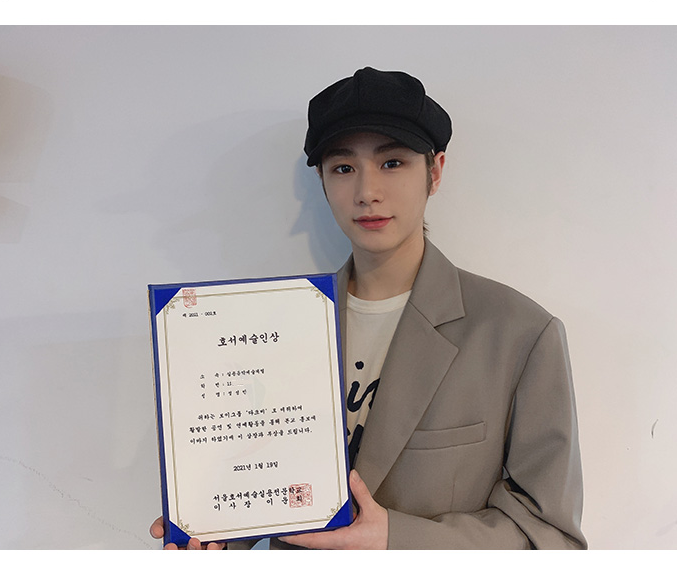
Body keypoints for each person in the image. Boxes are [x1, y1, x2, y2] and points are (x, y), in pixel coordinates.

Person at [150, 67, 586, 550]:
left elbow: (551, 539)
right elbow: (261, 481)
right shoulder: (269, 328)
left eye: (392, 162)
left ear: (435, 171)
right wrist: (215, 532)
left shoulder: (517, 333)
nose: (366, 192)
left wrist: (395, 539)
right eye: (343, 168)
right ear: (321, 180)